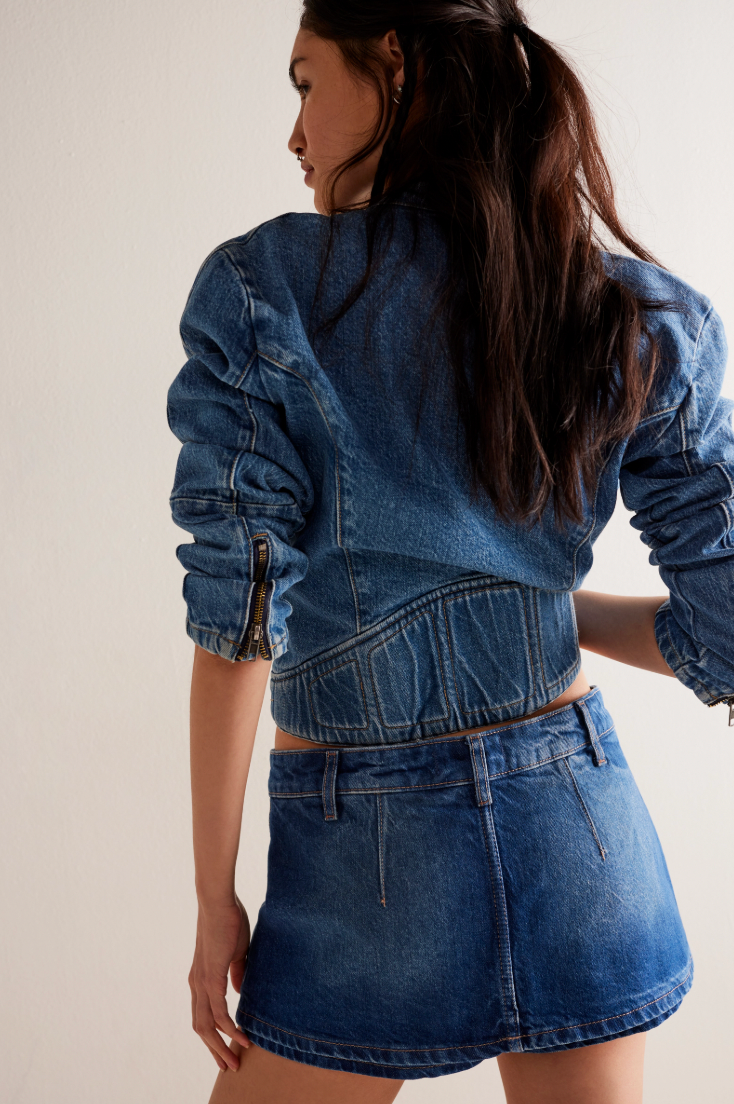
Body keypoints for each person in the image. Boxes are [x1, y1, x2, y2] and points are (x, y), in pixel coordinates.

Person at [167, 3, 734, 1101]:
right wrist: (528, 612)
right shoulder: (623, 310)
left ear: (394, 64)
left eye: (301, 81)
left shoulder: (262, 294)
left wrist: (211, 900)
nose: (294, 132)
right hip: (584, 845)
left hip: (361, 865)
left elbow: (237, 624)